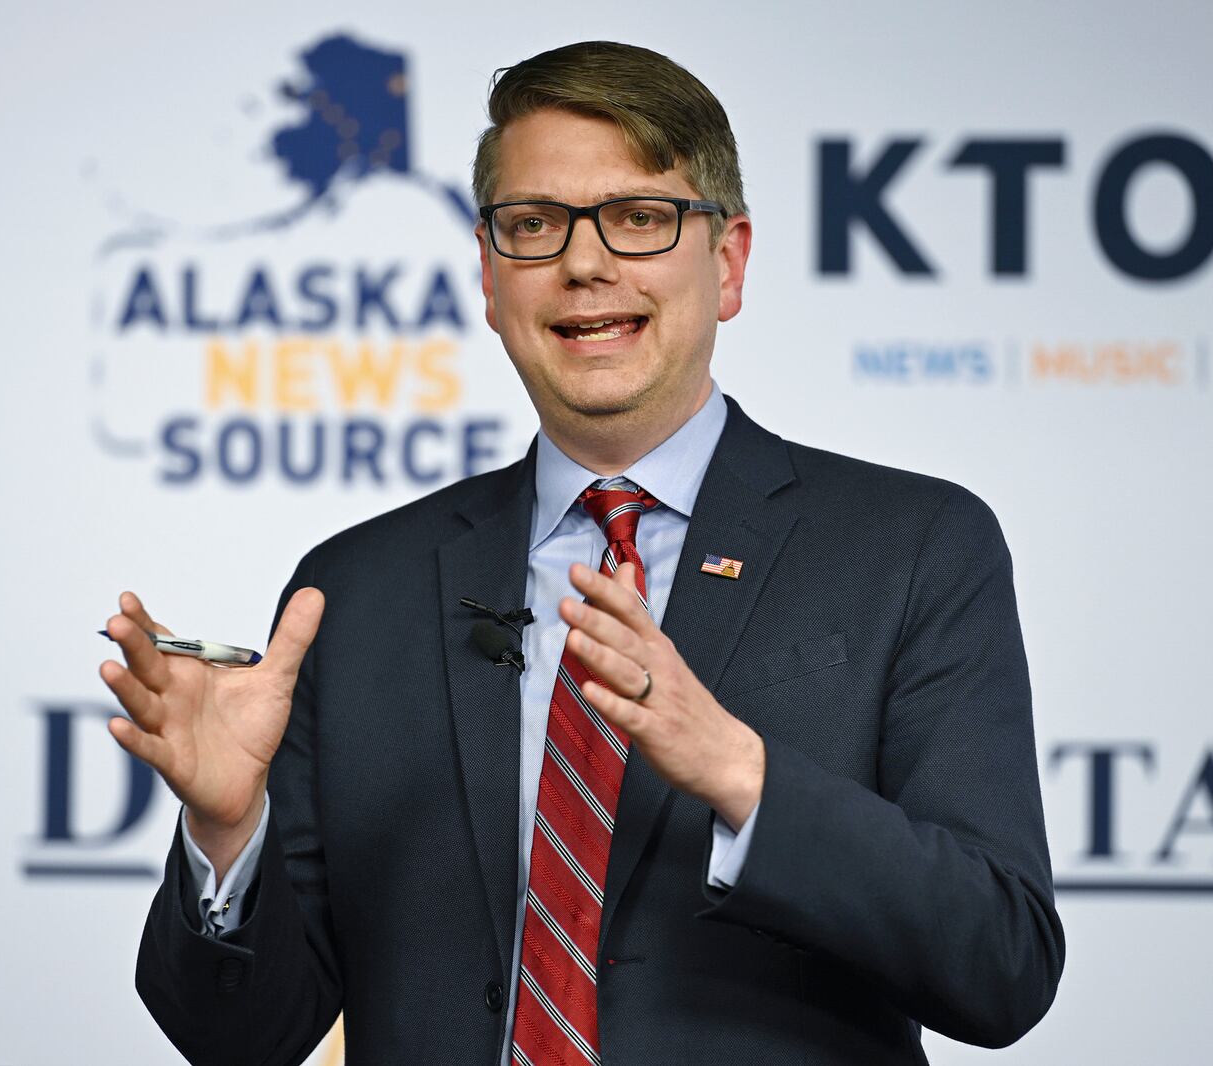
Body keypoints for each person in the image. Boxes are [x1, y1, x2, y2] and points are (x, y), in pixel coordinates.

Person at [102, 40, 1064, 1066]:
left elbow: (1001, 963)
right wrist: (226, 833)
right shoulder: (358, 589)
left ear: (727, 262)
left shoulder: (911, 547)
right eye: (533, 225)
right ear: (487, 276)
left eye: (640, 218)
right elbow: (235, 1039)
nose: (584, 262)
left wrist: (740, 773)